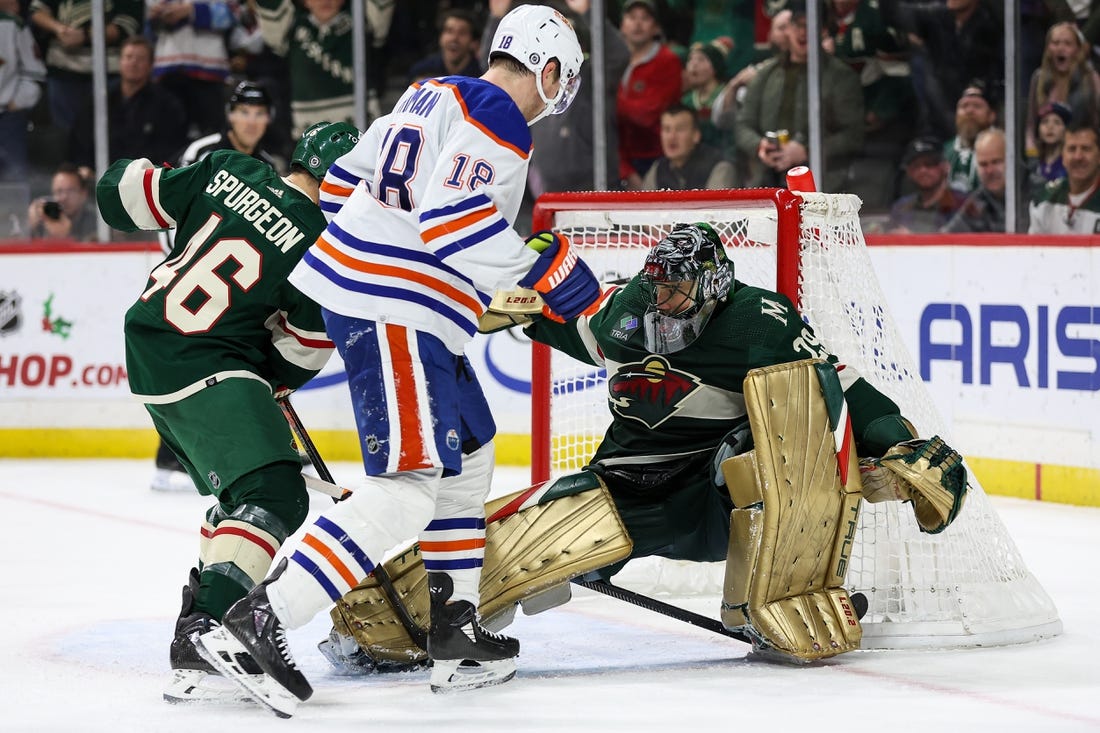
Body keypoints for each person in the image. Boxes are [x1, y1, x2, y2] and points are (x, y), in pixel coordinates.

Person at [323, 221, 968, 672]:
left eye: (676, 289)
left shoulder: (758, 322)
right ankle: (393, 622)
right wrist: (531, 312)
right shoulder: (635, 307)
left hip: (710, 497)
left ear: (713, 286)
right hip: (626, 488)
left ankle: (775, 597)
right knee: (532, 534)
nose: (662, 300)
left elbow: (844, 388)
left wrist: (901, 441)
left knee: (775, 438)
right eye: (656, 286)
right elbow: (590, 338)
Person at [195, 4, 600, 714]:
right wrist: (541, 271)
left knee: (471, 448)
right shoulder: (500, 114)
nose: (561, 91)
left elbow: (346, 182)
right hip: (398, 309)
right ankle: (261, 620)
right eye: (563, 73)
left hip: (391, 301)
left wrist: (407, 256)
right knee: (410, 486)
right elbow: (454, 220)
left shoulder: (430, 91)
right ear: (549, 64)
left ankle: (455, 628)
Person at [94, 120, 361, 703]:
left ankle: (203, 618)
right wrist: (268, 378)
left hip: (149, 343)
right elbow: (301, 352)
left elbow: (122, 194)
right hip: (207, 359)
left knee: (241, 498)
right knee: (277, 493)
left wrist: (124, 177)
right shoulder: (323, 249)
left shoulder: (227, 169)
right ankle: (207, 627)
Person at [148, 79, 284, 493]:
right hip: (190, 277)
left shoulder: (268, 165)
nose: (252, 121)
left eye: (260, 114)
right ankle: (173, 455)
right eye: (244, 112)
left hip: (238, 284)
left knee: (233, 363)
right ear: (230, 114)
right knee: (193, 358)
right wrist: (185, 261)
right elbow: (167, 205)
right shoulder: (203, 153)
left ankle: (230, 452)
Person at [733, 0, 864, 192]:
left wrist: (807, 151)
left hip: (822, 183)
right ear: (788, 29)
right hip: (766, 180)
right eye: (798, 25)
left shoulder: (841, 77)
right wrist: (760, 146)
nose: (803, 32)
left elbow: (853, 135)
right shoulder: (766, 73)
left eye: (811, 26)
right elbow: (743, 125)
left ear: (824, 31)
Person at [68, 36, 189, 172]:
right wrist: (84, 166)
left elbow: (170, 149)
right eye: (128, 57)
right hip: (100, 176)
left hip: (145, 178)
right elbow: (81, 138)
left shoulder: (167, 104)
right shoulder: (100, 98)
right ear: (120, 62)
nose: (133, 63)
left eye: (140, 59)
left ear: (150, 66)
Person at [29, 0, 142, 134]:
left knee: (112, 135)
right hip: (63, 72)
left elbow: (128, 24)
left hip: (108, 74)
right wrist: (58, 28)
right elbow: (36, 10)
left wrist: (85, 35)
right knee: (65, 139)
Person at [617, 0, 683, 190]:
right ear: (622, 25)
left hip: (657, 158)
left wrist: (610, 101)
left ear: (655, 27)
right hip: (619, 160)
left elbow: (646, 115)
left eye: (645, 18)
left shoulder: (667, 61)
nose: (638, 24)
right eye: (632, 18)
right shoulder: (613, 60)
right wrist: (624, 169)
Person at [147, 0, 236, 138]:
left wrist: (191, 11)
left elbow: (232, 15)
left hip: (208, 71)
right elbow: (151, 23)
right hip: (169, 71)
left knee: (211, 137)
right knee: (168, 136)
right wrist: (159, 15)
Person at [1024, 21, 1100, 160]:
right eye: (1056, 43)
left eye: (1067, 43)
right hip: (1048, 156)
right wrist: (1033, 158)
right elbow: (1031, 126)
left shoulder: (1090, 78)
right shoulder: (1038, 77)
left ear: (1078, 49)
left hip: (1081, 154)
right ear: (1048, 49)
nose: (1061, 48)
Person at [0, 0, 47, 182]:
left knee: (15, 176)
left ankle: (17, 212)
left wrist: (17, 101)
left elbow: (35, 74)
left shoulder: (12, 24)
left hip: (8, 117)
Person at [640, 103, 735, 190]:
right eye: (666, 129)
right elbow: (644, 207)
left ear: (696, 135)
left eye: (680, 129)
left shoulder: (718, 167)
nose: (672, 137)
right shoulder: (658, 169)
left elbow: (717, 207)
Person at [885, 135, 968, 233]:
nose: (923, 170)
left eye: (930, 164)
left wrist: (913, 239)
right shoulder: (900, 208)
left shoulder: (964, 205)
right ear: (908, 172)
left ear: (946, 166)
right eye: (916, 166)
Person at [1029, 122, 1100, 234]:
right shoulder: (1044, 200)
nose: (1078, 157)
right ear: (1063, 157)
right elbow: (1035, 250)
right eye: (1072, 149)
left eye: (1086, 149)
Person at [942, 127, 1006, 233]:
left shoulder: (1034, 192)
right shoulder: (977, 202)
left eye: (996, 162)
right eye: (983, 164)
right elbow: (946, 238)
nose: (990, 171)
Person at [944, 81, 998, 194]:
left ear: (991, 116)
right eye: (964, 106)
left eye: (977, 106)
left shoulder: (1003, 151)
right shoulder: (943, 152)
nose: (969, 111)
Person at [408, 8, 483, 85]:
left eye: (462, 33)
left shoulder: (481, 78)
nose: (454, 38)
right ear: (440, 37)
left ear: (473, 42)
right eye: (449, 31)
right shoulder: (420, 71)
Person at [27, 163, 97, 241]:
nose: (64, 197)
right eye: (59, 191)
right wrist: (30, 226)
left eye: (70, 191)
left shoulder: (96, 223)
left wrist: (66, 236)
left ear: (83, 194)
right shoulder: (43, 220)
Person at [1027, 101, 1071, 195]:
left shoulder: (1070, 164)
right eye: (1045, 122)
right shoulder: (1033, 165)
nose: (1050, 127)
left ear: (1066, 130)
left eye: (1057, 122)